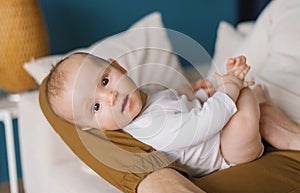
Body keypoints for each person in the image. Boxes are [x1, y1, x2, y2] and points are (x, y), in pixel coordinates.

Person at [45, 52, 264, 177]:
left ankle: (263, 111)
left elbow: (175, 105)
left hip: (215, 135)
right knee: (244, 100)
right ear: (94, 128)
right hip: (225, 153)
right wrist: (230, 87)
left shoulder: (145, 96)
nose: (110, 97)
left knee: (234, 97)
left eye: (104, 81)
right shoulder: (150, 127)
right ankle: (264, 114)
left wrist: (196, 93)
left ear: (118, 66)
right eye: (96, 107)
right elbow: (202, 123)